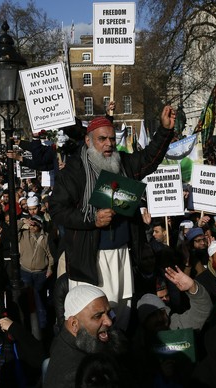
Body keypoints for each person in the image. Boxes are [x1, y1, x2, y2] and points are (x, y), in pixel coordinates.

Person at [49, 106, 176, 329]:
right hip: (90, 257)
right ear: (88, 142)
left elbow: (149, 158)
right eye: (102, 139)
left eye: (111, 138)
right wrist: (92, 220)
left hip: (122, 254)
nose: (108, 144)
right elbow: (57, 210)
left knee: (122, 313)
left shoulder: (123, 163)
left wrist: (165, 131)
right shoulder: (74, 171)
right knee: (94, 319)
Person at [44, 285, 126, 388]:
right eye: (98, 316)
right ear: (74, 324)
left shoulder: (70, 340)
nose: (109, 322)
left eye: (108, 313)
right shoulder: (76, 374)